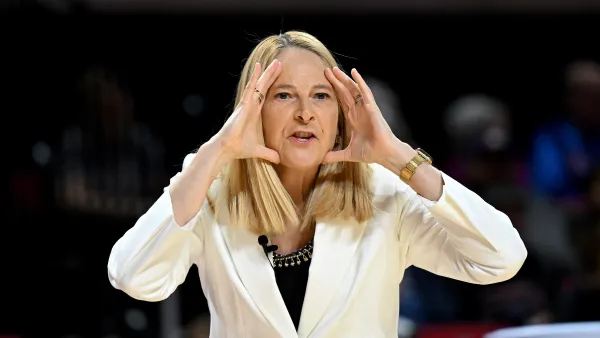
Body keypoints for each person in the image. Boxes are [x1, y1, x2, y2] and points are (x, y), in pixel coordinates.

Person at [108, 31, 527, 338]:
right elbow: (135, 277)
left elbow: (500, 258)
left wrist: (399, 155)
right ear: (252, 109)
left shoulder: (383, 192)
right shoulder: (210, 189)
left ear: (340, 114)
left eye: (322, 96)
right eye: (284, 95)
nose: (306, 112)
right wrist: (216, 152)